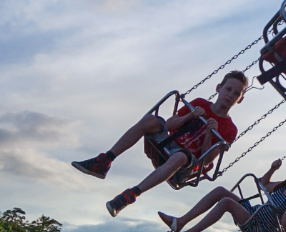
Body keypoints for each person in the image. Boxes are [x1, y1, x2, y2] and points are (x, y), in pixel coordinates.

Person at [71, 71, 248, 217]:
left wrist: (209, 133)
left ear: (240, 99)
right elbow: (169, 125)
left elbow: (207, 160)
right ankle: (104, 161)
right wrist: (190, 116)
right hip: (168, 145)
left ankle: (130, 195)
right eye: (228, 89)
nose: (230, 95)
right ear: (219, 88)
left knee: (180, 156)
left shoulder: (229, 129)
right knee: (150, 120)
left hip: (186, 165)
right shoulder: (200, 104)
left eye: (236, 93)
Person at [159, 160, 286, 232]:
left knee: (227, 202)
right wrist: (272, 168)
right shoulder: (284, 185)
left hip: (258, 227)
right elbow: (263, 184)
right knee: (221, 191)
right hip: (254, 213)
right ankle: (180, 222)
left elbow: (285, 221)